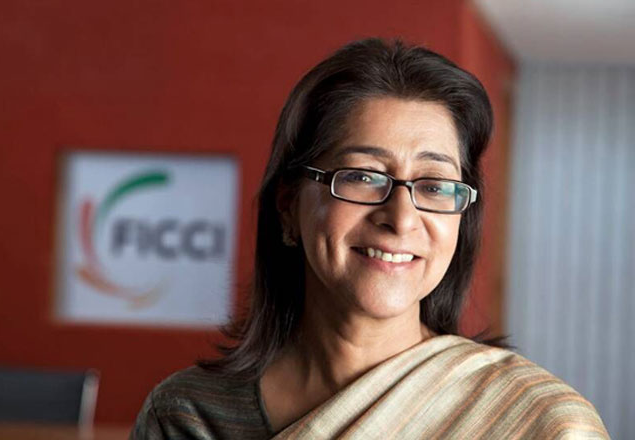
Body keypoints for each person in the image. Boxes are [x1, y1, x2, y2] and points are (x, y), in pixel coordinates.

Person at [131, 38, 608, 439]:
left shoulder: (539, 423)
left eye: (434, 185)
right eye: (362, 176)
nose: (401, 218)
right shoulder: (188, 416)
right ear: (288, 207)